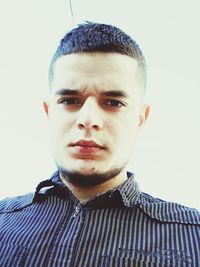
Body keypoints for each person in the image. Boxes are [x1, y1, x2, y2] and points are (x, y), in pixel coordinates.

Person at [0, 21, 199, 267]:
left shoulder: (193, 236)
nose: (88, 120)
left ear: (140, 119)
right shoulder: (2, 221)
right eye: (70, 99)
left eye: (113, 103)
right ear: (49, 112)